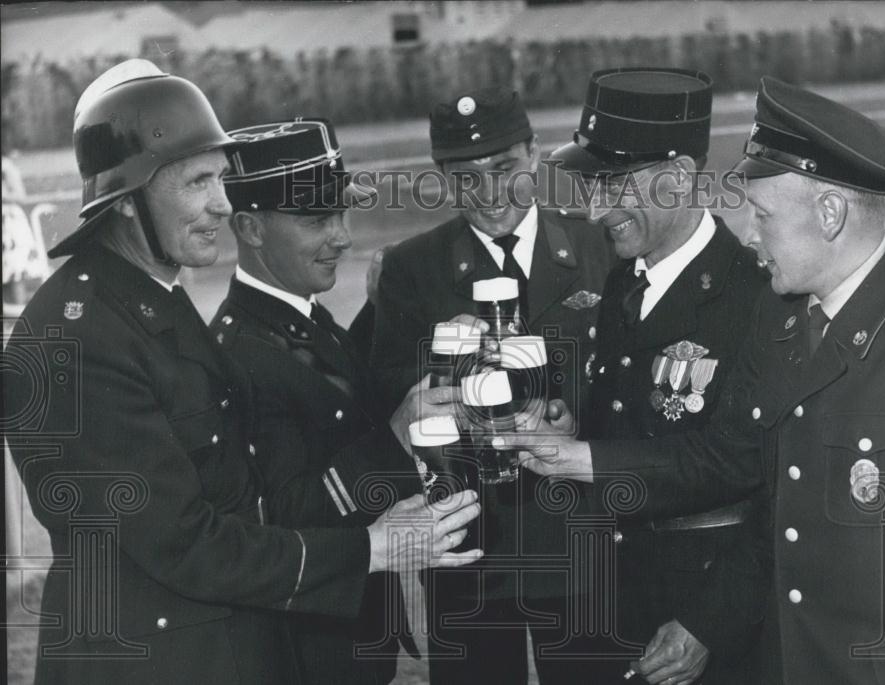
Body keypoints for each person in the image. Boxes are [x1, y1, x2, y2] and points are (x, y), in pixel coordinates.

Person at [2, 60, 481, 685]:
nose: (222, 204)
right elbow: (185, 543)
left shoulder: (148, 299)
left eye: (221, 180)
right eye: (198, 182)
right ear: (126, 201)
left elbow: (241, 494)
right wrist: (374, 548)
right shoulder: (75, 337)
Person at [509, 76, 885, 684]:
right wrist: (572, 455)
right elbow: (762, 494)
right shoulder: (796, 327)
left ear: (829, 214)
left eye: (762, 215)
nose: (748, 235)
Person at [370, 86, 616, 684]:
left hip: (580, 544)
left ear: (534, 156)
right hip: (469, 553)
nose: (488, 194)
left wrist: (574, 419)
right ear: (442, 179)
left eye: (504, 169)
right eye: (464, 178)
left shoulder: (597, 248)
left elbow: (629, 385)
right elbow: (388, 401)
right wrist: (438, 384)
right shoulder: (410, 270)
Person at [542, 66, 770, 684]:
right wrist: (568, 427)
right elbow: (636, 427)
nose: (593, 209)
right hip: (617, 607)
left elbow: (756, 478)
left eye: (613, 185)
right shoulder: (624, 283)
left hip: (705, 625)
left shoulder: (757, 301)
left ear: (675, 180)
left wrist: (708, 625)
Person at [210, 119, 431, 684]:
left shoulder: (301, 318)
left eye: (341, 213)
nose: (343, 236)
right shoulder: (237, 356)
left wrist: (383, 308)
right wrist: (395, 439)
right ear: (250, 227)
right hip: (305, 652)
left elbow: (330, 384)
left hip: (346, 633)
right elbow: (281, 519)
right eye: (316, 220)